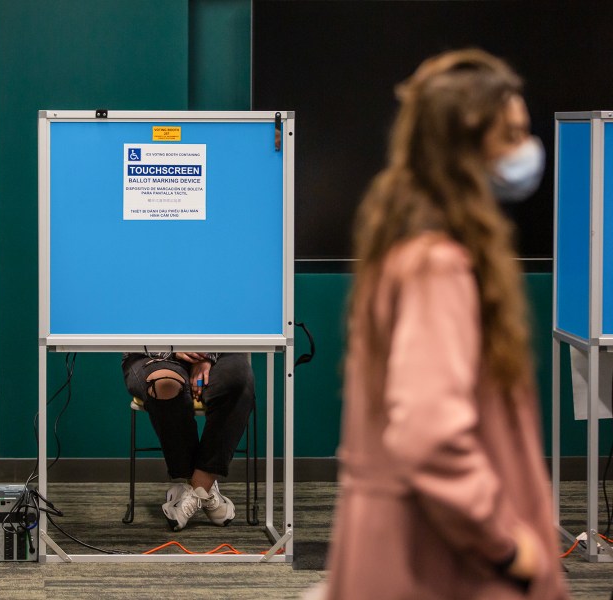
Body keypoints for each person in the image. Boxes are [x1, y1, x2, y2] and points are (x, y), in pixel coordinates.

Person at [309, 49, 569, 599]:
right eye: (513, 133)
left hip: (406, 546)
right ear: (466, 143)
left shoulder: (401, 246)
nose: (529, 150)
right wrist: (504, 542)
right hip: (439, 561)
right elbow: (428, 432)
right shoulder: (438, 264)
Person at [122, 351, 254, 531]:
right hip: (152, 355)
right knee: (164, 383)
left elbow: (234, 323)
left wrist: (206, 355)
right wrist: (174, 348)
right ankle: (203, 490)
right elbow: (130, 329)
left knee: (238, 381)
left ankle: (196, 488)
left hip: (219, 351)